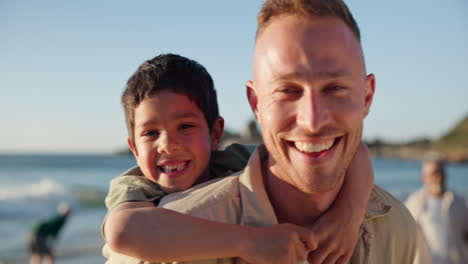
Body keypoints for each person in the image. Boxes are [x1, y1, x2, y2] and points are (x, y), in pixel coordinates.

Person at [134, 0, 417, 263]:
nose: (313, 121)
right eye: (287, 91)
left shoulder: (395, 227)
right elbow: (122, 228)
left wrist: (351, 211)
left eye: (335, 88)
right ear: (256, 103)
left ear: (366, 97)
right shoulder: (165, 249)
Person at [102, 53, 374, 263]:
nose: (167, 145)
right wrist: (251, 243)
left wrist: (347, 217)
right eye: (150, 133)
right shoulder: (137, 187)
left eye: (185, 127)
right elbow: (122, 231)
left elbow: (355, 152)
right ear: (134, 148)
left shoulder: (235, 161)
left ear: (215, 133)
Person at [405, 160, 468, 264]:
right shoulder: (413, 203)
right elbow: (402, 237)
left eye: (441, 172)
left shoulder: (459, 201)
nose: (438, 177)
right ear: (424, 177)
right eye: (434, 173)